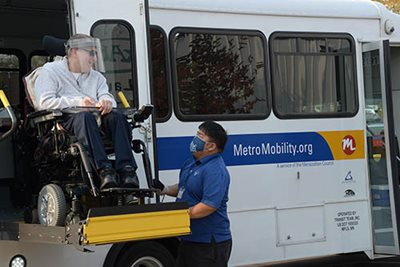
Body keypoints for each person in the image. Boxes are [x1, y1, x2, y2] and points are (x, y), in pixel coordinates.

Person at [34, 33, 139, 190]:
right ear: (75, 51)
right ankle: (104, 170)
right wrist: (78, 102)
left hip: (95, 119)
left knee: (117, 116)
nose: (94, 58)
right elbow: (44, 102)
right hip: (66, 121)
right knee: (84, 116)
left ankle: (127, 170)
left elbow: (106, 95)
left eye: (96, 53)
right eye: (91, 53)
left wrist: (106, 102)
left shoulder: (96, 77)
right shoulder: (51, 71)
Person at [158, 121, 232, 267]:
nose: (194, 139)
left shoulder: (215, 170)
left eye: (200, 136)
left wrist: (181, 215)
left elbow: (209, 205)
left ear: (211, 146)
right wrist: (165, 189)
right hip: (189, 240)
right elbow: (184, 187)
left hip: (208, 244)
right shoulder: (191, 163)